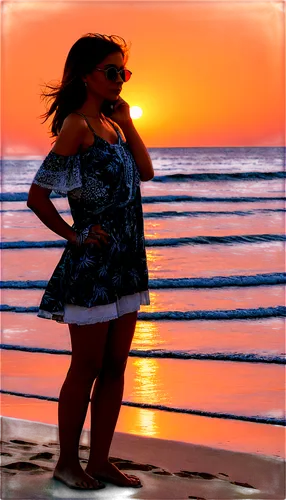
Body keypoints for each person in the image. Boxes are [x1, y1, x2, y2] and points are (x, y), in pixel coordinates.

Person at [27, 33, 154, 495]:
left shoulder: (114, 125)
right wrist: (74, 234)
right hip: (93, 265)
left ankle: (99, 461)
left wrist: (129, 123)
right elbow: (37, 196)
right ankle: (66, 464)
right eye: (111, 70)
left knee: (117, 365)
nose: (120, 79)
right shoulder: (76, 126)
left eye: (124, 71)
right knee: (87, 365)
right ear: (85, 75)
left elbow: (146, 171)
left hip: (126, 261)